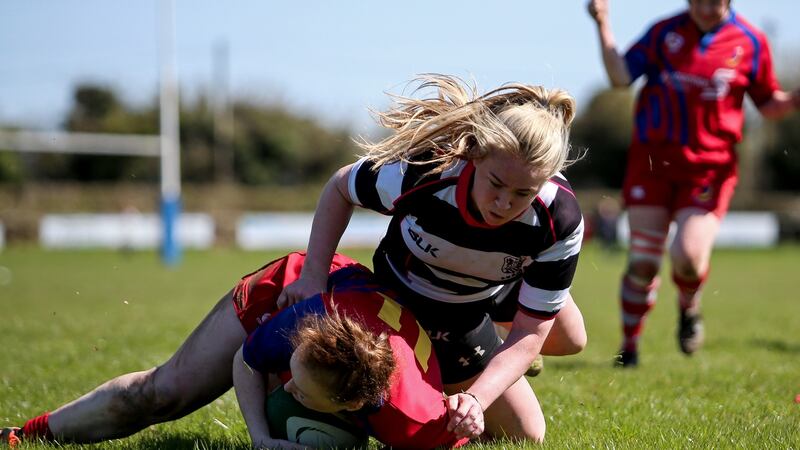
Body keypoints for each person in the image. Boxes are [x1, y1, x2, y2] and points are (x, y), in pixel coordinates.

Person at [276, 74, 589, 443]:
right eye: (496, 184)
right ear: (475, 153)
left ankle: (500, 343)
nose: (504, 203)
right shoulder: (426, 171)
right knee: (528, 433)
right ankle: (479, 349)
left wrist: (475, 398)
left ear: (546, 179)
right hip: (412, 293)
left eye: (523, 192)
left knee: (572, 339)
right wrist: (312, 274)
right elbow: (340, 186)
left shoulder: (560, 217)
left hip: (490, 285)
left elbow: (532, 333)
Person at [1, 252, 466, 449]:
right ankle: (29, 433)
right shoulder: (303, 324)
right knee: (163, 393)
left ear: (353, 406)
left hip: (360, 320)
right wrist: (261, 438)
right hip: (300, 288)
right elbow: (247, 360)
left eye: (299, 390)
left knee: (526, 430)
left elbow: (455, 433)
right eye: (290, 375)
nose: (289, 388)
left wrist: (472, 407)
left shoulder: (415, 424)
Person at [586, 0, 800, 367]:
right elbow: (621, 77)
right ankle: (630, 347)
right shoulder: (664, 32)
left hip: (708, 170)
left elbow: (768, 104)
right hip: (651, 163)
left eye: (713, 1)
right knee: (643, 262)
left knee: (687, 257)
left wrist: (793, 100)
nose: (703, 7)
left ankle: (689, 307)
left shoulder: (750, 40)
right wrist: (602, 22)